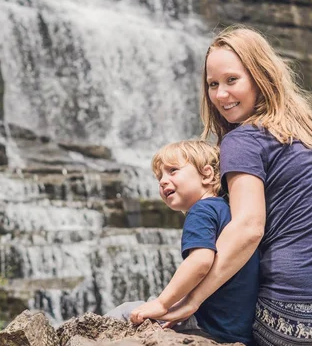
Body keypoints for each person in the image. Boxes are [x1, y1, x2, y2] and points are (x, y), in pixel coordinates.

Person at [145, 26, 312, 345]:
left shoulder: (242, 140)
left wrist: (189, 300)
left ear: (260, 75)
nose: (221, 95)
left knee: (156, 319)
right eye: (213, 84)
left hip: (302, 323)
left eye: (232, 80)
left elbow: (248, 228)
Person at [104, 140, 259, 345]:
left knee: (125, 312)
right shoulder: (230, 210)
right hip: (237, 327)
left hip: (207, 324)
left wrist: (162, 302)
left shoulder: (200, 212)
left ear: (207, 174)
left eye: (173, 171)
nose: (162, 181)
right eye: (159, 176)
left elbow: (201, 262)